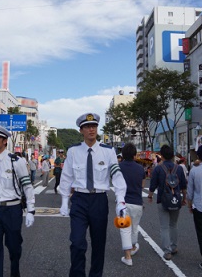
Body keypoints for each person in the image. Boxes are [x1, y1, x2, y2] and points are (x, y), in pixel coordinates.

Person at [59, 112, 127, 277]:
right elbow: (67, 176)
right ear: (81, 130)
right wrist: (63, 201)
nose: (91, 129)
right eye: (87, 127)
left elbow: (116, 176)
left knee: (98, 244)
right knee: (77, 242)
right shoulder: (74, 151)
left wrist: (120, 201)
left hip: (99, 200)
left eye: (94, 126)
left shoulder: (108, 151)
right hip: (79, 200)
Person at [0, 124, 35, 277]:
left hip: (12, 209)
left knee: (14, 248)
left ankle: (15, 272)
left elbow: (27, 187)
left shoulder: (16, 161)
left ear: (4, 141)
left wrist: (31, 210)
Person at [148, 145, 187, 261]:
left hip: (162, 200)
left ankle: (167, 251)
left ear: (162, 155)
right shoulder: (179, 168)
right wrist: (184, 199)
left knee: (164, 227)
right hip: (176, 199)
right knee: (173, 224)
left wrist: (150, 197)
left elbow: (153, 185)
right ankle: (174, 247)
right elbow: (184, 187)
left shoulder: (158, 169)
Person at [118, 142, 145, 266]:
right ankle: (133, 247)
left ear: (123, 155)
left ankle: (127, 256)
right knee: (135, 227)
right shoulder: (140, 168)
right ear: (135, 155)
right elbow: (143, 185)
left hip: (123, 202)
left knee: (124, 229)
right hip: (137, 203)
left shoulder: (119, 167)